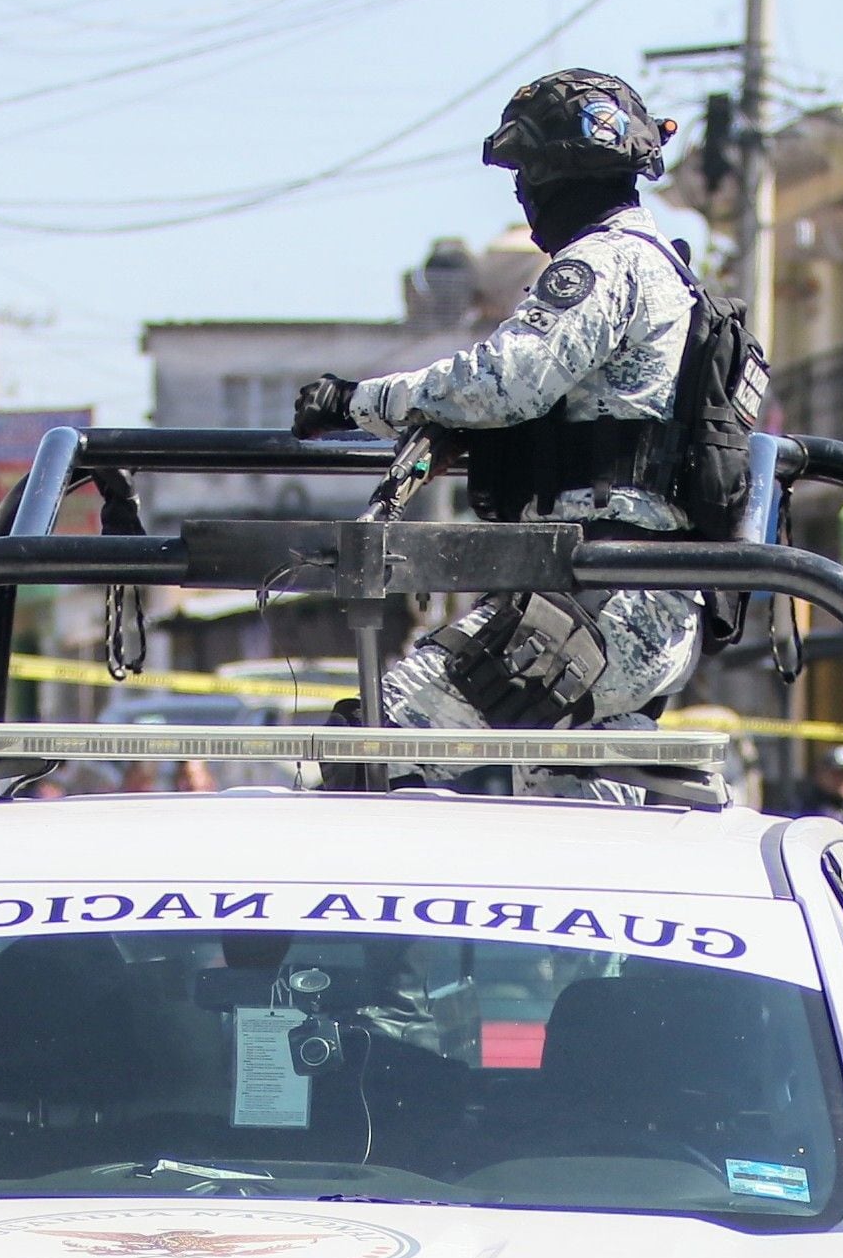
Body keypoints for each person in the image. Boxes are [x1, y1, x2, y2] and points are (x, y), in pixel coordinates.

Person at [293, 70, 715, 756]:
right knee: (573, 816)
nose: (521, 191)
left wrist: (354, 400)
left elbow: (502, 382)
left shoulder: (603, 264)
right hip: (626, 598)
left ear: (556, 169)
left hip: (600, 601)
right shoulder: (659, 264)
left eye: (526, 169)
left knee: (367, 749)